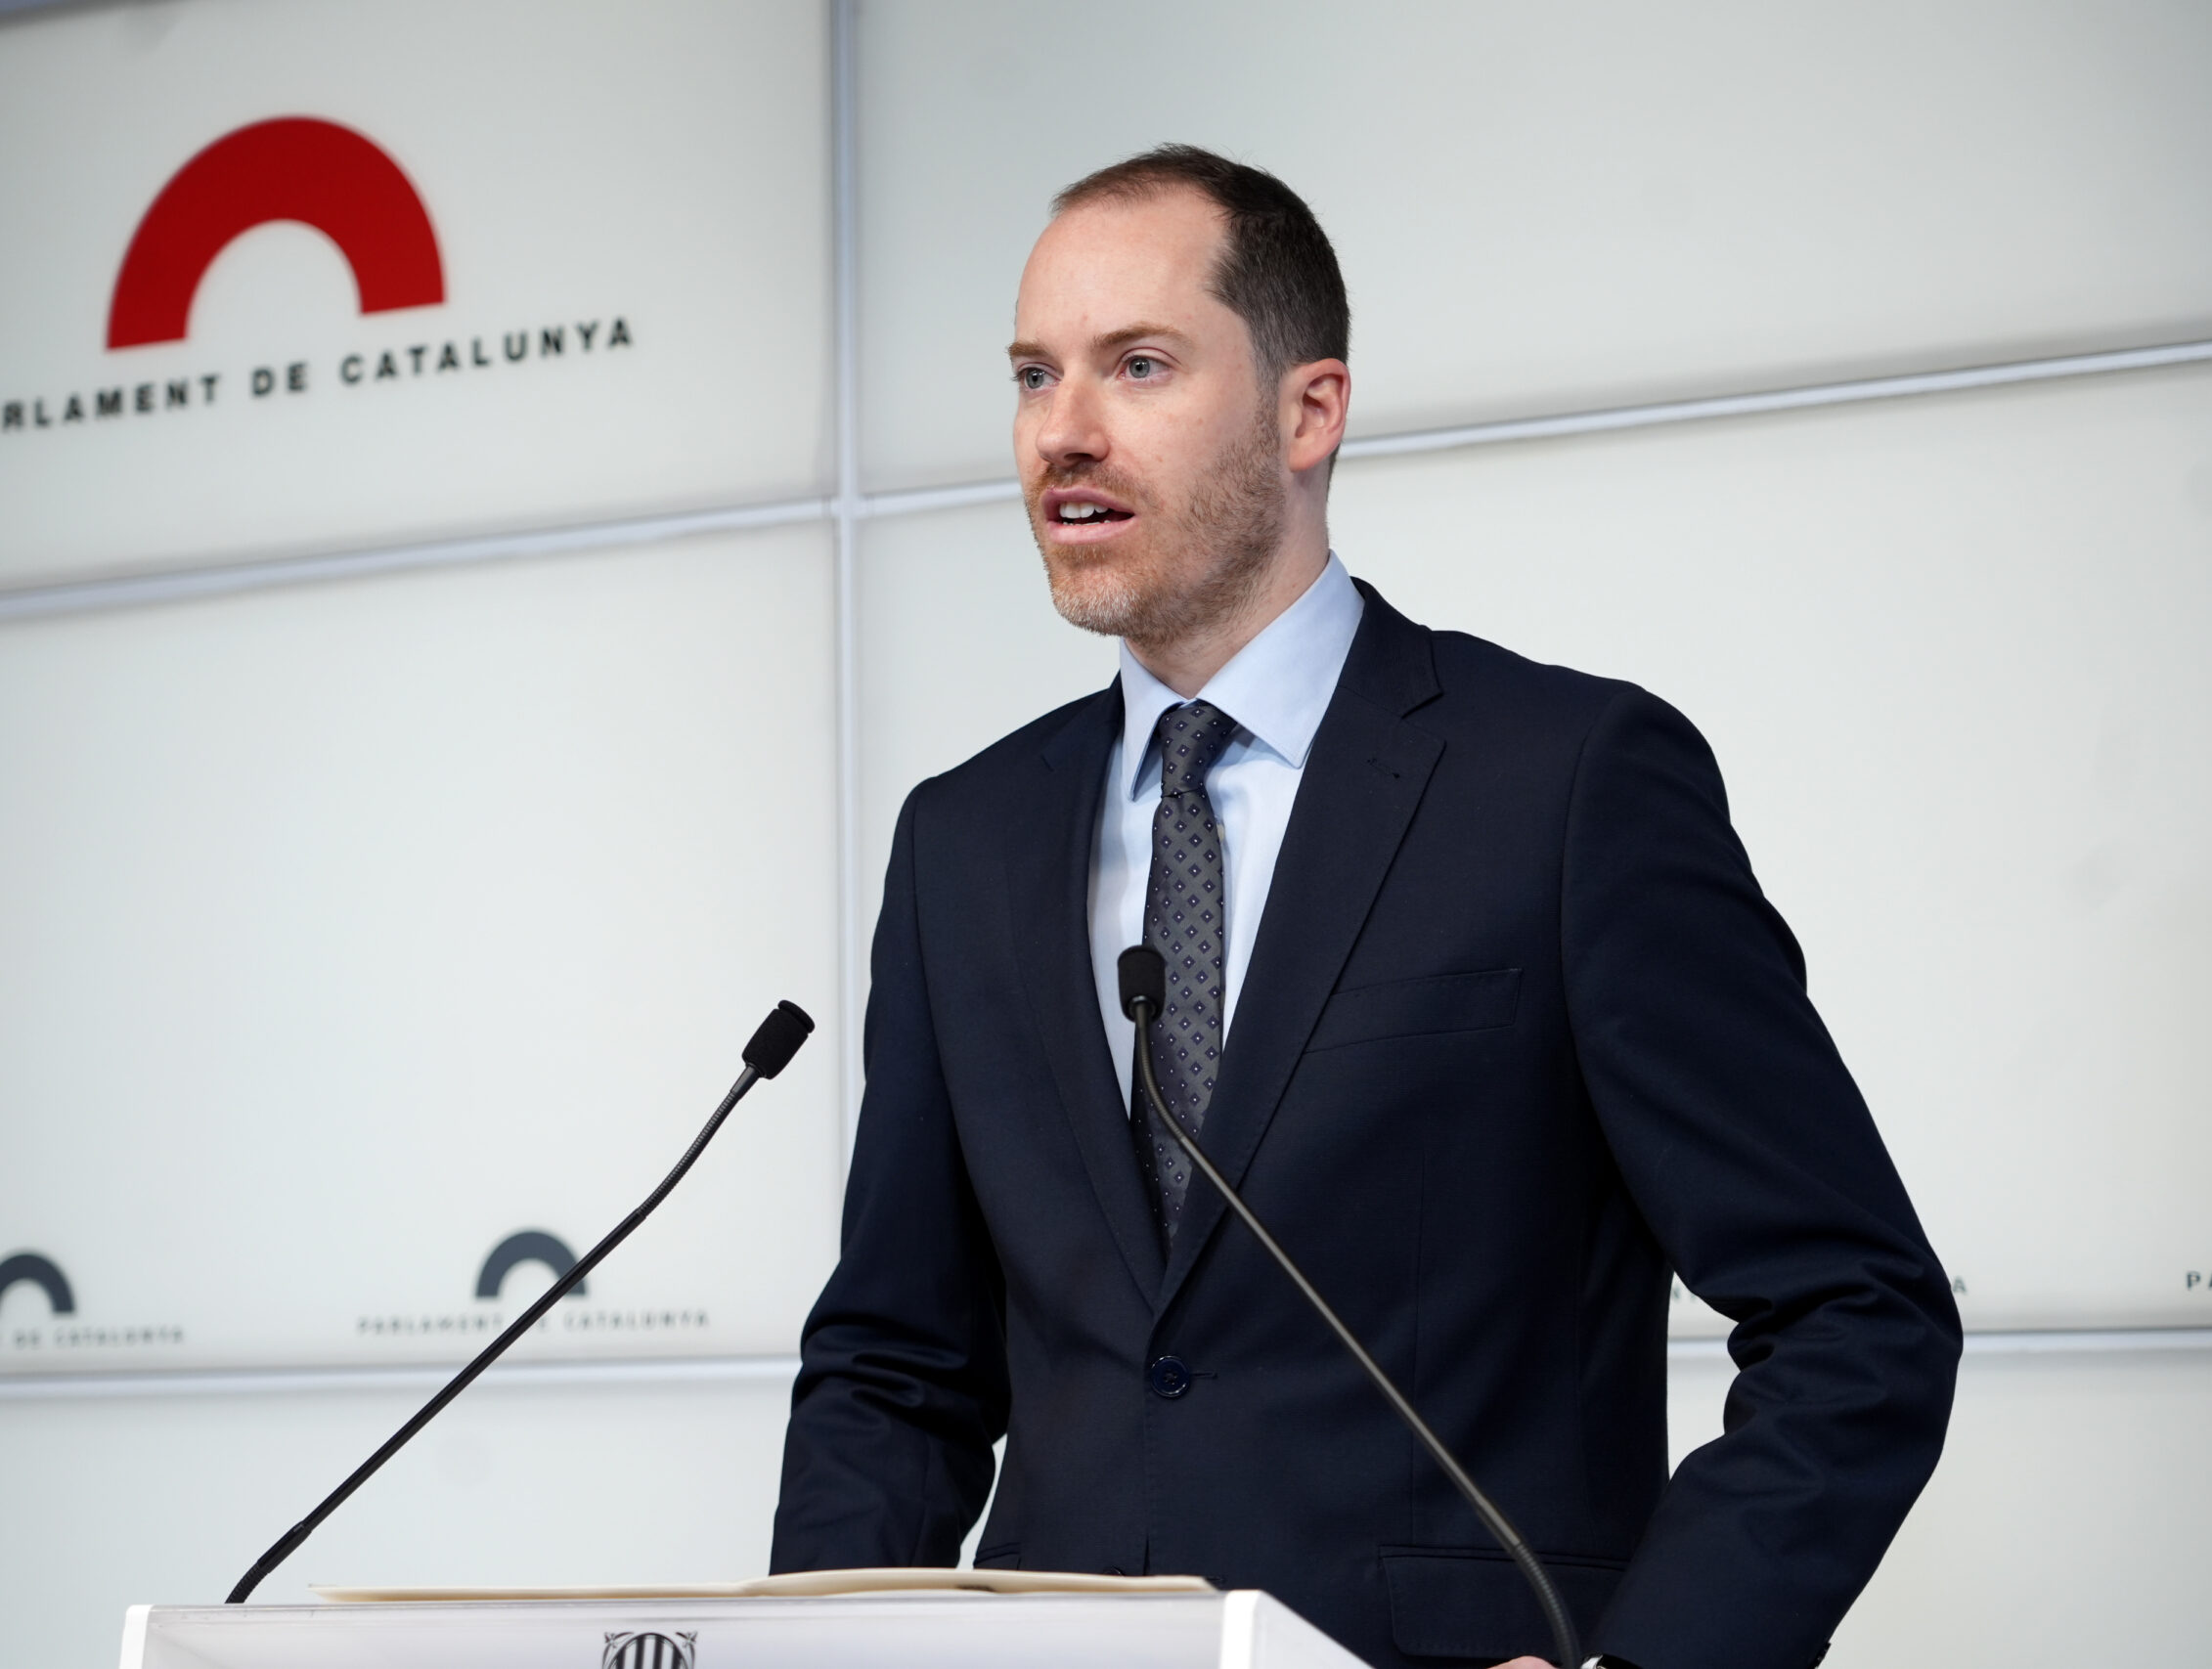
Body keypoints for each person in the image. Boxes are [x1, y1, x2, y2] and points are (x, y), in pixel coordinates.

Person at [770, 145, 1959, 1669]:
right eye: (1032, 375)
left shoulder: (1568, 784)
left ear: (1308, 410)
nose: (1063, 431)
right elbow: (896, 1371)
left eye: (1138, 365)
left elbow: (1856, 1313)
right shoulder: (964, 840)